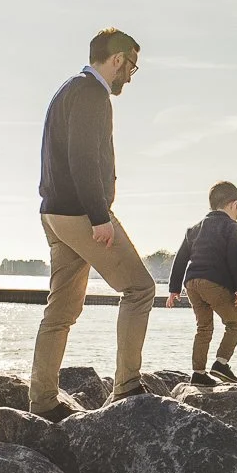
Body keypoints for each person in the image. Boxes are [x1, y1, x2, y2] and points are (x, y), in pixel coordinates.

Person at [29, 28, 155, 419]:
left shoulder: (66, 90)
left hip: (54, 212)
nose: (131, 76)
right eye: (132, 65)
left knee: (62, 310)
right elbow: (83, 156)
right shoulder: (92, 93)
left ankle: (42, 402)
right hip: (82, 214)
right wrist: (100, 217)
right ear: (116, 59)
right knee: (140, 289)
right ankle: (127, 386)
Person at [166, 181, 237, 385]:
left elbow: (180, 259)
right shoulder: (232, 227)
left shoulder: (193, 229)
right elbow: (234, 258)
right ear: (233, 204)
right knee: (234, 323)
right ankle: (221, 363)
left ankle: (198, 373)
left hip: (191, 283)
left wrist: (174, 289)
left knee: (203, 328)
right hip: (214, 282)